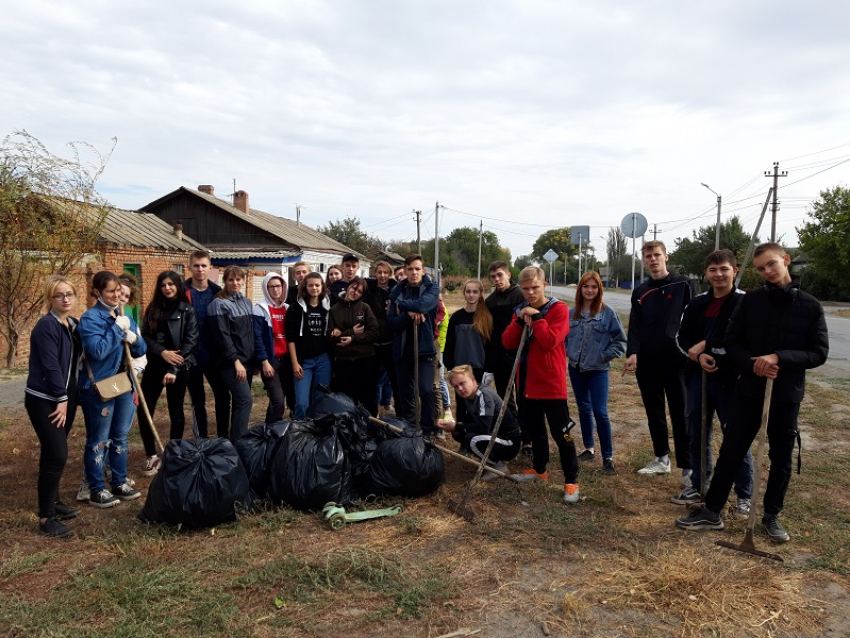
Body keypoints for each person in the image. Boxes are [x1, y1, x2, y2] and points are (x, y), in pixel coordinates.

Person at [676, 243, 828, 543]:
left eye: (771, 264)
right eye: (760, 268)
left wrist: (779, 358)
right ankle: (713, 510)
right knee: (732, 449)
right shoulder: (752, 302)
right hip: (748, 388)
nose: (767, 271)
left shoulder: (810, 306)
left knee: (781, 456)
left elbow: (818, 352)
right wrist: (752, 363)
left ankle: (771, 515)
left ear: (785, 261)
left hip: (786, 393)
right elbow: (730, 341)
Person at [671, 250, 753, 512]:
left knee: (735, 437)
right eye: (713, 270)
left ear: (734, 270)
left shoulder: (745, 303)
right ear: (706, 273)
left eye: (724, 269)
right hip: (698, 379)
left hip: (734, 381)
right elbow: (681, 339)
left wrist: (716, 352)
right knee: (697, 433)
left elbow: (746, 342)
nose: (718, 274)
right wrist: (698, 357)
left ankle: (743, 495)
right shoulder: (696, 304)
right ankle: (698, 484)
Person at [503, 266, 580, 504]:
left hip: (550, 383)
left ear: (544, 285)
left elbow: (548, 341)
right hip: (526, 382)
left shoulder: (557, 310)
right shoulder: (519, 310)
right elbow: (507, 342)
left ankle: (571, 481)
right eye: (525, 289)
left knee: (562, 433)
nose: (530, 293)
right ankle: (539, 469)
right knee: (535, 430)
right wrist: (519, 321)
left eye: (535, 287)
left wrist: (536, 317)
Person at [624, 240, 693, 482]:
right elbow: (635, 324)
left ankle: (688, 466)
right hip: (648, 360)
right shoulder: (640, 291)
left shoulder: (684, 284)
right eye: (648, 256)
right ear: (643, 260)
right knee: (655, 411)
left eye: (656, 255)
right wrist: (632, 351)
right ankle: (661, 458)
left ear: (666, 256)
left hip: (677, 359)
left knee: (680, 411)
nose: (653, 259)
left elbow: (693, 319)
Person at [78, 271, 145, 508]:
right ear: (97, 292)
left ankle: (118, 482)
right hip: (98, 388)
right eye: (110, 292)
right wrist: (117, 330)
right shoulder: (91, 319)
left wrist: (134, 339)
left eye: (118, 291)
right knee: (99, 439)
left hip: (122, 383)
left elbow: (140, 349)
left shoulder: (123, 314)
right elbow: (97, 350)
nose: (116, 296)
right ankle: (96, 488)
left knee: (120, 437)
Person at [25, 276, 83, 536]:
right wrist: (60, 398)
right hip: (44, 398)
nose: (65, 299)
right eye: (59, 295)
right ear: (50, 298)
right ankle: (46, 519)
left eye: (69, 294)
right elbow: (50, 365)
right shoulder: (45, 326)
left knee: (52, 452)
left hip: (66, 397)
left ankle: (54, 502)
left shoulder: (71, 324)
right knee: (58, 453)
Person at [566, 271, 627, 474]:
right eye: (586, 286)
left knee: (600, 412)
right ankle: (588, 448)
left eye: (594, 287)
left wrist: (603, 356)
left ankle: (608, 457)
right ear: (580, 289)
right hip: (576, 369)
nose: (589, 290)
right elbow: (564, 338)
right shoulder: (571, 313)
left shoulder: (608, 313)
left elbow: (620, 342)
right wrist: (569, 352)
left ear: (599, 289)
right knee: (583, 409)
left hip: (598, 370)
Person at [139, 271, 199, 474]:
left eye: (171, 284)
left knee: (176, 410)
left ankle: (173, 453)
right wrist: (162, 352)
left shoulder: (187, 310)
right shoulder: (153, 309)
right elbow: (145, 336)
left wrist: (174, 368)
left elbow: (190, 341)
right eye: (163, 284)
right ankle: (151, 456)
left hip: (179, 367)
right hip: (155, 365)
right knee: (145, 409)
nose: (167, 288)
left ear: (178, 286)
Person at [387, 254, 439, 436]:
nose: (414, 272)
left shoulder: (432, 289)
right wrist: (407, 315)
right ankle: (410, 427)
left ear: (423, 271)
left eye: (417, 269)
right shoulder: (397, 292)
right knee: (406, 393)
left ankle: (427, 430)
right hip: (402, 350)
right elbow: (392, 323)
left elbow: (424, 305)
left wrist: (405, 305)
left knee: (425, 390)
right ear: (405, 271)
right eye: (410, 269)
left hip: (424, 350)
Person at [437, 365, 521, 475]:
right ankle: (492, 458)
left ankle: (498, 467)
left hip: (509, 443)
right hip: (495, 437)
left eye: (462, 383)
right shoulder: (469, 396)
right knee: (458, 433)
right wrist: (454, 426)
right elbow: (472, 421)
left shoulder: (483, 395)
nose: (460, 389)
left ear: (472, 379)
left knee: (471, 439)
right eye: (456, 387)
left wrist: (456, 426)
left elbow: (483, 427)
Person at [184, 250, 229, 439]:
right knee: (198, 400)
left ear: (210, 268)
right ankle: (201, 439)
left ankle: (223, 438)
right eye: (196, 266)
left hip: (214, 355)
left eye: (204, 266)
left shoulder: (218, 293)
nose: (200, 269)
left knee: (223, 396)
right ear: (190, 268)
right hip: (192, 355)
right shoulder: (181, 292)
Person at [207, 265, 255, 442]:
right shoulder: (218, 304)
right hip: (231, 363)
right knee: (245, 400)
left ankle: (235, 440)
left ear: (243, 281)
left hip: (247, 361)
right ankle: (240, 442)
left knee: (239, 402)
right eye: (231, 279)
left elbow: (249, 334)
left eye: (238, 279)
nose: (235, 282)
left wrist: (254, 359)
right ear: (225, 281)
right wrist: (235, 361)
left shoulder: (246, 302)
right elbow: (222, 337)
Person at [485, 261, 527, 450]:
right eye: (493, 276)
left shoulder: (520, 294)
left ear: (509, 275)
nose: (497, 279)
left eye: (500, 275)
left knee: (524, 397)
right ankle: (513, 432)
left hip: (521, 352)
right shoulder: (490, 301)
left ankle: (528, 438)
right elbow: (490, 332)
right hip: (500, 355)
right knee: (505, 397)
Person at [328, 276, 380, 415]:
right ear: (348, 286)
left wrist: (353, 338)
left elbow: (374, 332)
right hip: (343, 361)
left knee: (368, 397)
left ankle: (371, 427)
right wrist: (349, 332)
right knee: (347, 398)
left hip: (365, 358)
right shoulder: (334, 309)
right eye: (354, 288)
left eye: (359, 291)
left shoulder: (364, 308)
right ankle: (350, 429)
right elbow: (330, 336)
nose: (355, 292)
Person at [444, 279, 493, 424]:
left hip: (479, 369)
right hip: (460, 369)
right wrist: (449, 366)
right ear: (464, 294)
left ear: (480, 294)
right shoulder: (457, 317)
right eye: (468, 291)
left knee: (478, 404)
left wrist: (489, 370)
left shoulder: (486, 317)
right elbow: (450, 343)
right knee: (461, 405)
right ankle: (463, 439)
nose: (471, 295)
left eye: (475, 292)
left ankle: (477, 436)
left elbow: (491, 346)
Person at [285, 272, 333, 419]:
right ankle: (300, 432)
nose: (314, 288)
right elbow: (291, 339)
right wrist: (295, 363)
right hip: (303, 361)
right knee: (301, 403)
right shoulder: (295, 308)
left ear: (322, 287)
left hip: (323, 360)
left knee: (320, 401)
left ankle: (316, 434)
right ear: (305, 287)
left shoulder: (328, 307)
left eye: (317, 285)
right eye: (310, 285)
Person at [252, 273, 295, 422]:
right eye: (271, 287)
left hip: (287, 361)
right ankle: (270, 434)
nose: (276, 290)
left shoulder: (288, 308)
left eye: (278, 286)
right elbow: (257, 338)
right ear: (266, 288)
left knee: (284, 399)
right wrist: (264, 361)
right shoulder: (260, 309)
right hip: (271, 361)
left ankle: (269, 430)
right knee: (277, 401)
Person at [365, 260, 398, 415]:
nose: (382, 275)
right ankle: (374, 412)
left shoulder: (395, 291)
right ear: (375, 274)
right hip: (372, 342)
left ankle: (394, 409)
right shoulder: (370, 291)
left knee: (392, 378)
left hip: (390, 341)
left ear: (389, 274)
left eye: (385, 272)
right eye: (379, 272)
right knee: (374, 380)